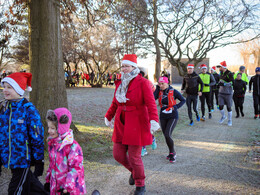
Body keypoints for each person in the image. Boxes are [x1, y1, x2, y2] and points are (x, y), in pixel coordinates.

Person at [104, 54, 160, 195]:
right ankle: (134, 172)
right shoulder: (120, 83)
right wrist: (108, 116)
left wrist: (154, 120)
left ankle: (140, 185)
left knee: (135, 157)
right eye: (122, 66)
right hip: (121, 123)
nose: (124, 69)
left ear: (134, 67)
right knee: (118, 154)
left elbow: (151, 103)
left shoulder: (143, 83)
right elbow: (115, 103)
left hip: (137, 123)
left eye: (127, 66)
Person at [0, 72, 46, 194]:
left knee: (14, 190)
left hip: (22, 160)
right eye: (4, 86)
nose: (5, 90)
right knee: (31, 185)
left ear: (19, 89)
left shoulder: (28, 110)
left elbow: (37, 137)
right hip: (8, 157)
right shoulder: (4, 108)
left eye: (9, 87)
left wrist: (39, 160)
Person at [44, 107, 87, 195]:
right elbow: (52, 165)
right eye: (49, 127)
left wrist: (68, 188)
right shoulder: (53, 144)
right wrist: (48, 180)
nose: (49, 131)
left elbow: (76, 169)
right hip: (56, 188)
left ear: (61, 128)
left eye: (52, 128)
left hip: (70, 190)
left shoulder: (72, 147)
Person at [154, 76, 185, 163]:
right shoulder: (159, 91)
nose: (161, 85)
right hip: (163, 115)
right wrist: (157, 89)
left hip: (173, 115)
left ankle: (173, 153)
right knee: (166, 136)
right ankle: (171, 152)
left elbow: (183, 100)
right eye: (159, 84)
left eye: (162, 84)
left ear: (167, 83)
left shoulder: (174, 91)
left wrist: (175, 107)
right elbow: (152, 99)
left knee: (167, 134)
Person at [139, 70, 157, 157]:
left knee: (145, 129)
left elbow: (154, 90)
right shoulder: (132, 82)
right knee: (140, 130)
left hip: (146, 109)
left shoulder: (147, 83)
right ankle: (143, 148)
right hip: (137, 111)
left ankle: (152, 139)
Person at [217, 61, 234, 126]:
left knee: (228, 107)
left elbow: (232, 82)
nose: (219, 68)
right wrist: (218, 84)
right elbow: (220, 81)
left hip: (228, 93)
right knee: (220, 106)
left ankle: (230, 120)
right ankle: (223, 116)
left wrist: (224, 84)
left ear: (223, 67)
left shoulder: (229, 73)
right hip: (221, 93)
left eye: (220, 67)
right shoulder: (221, 73)